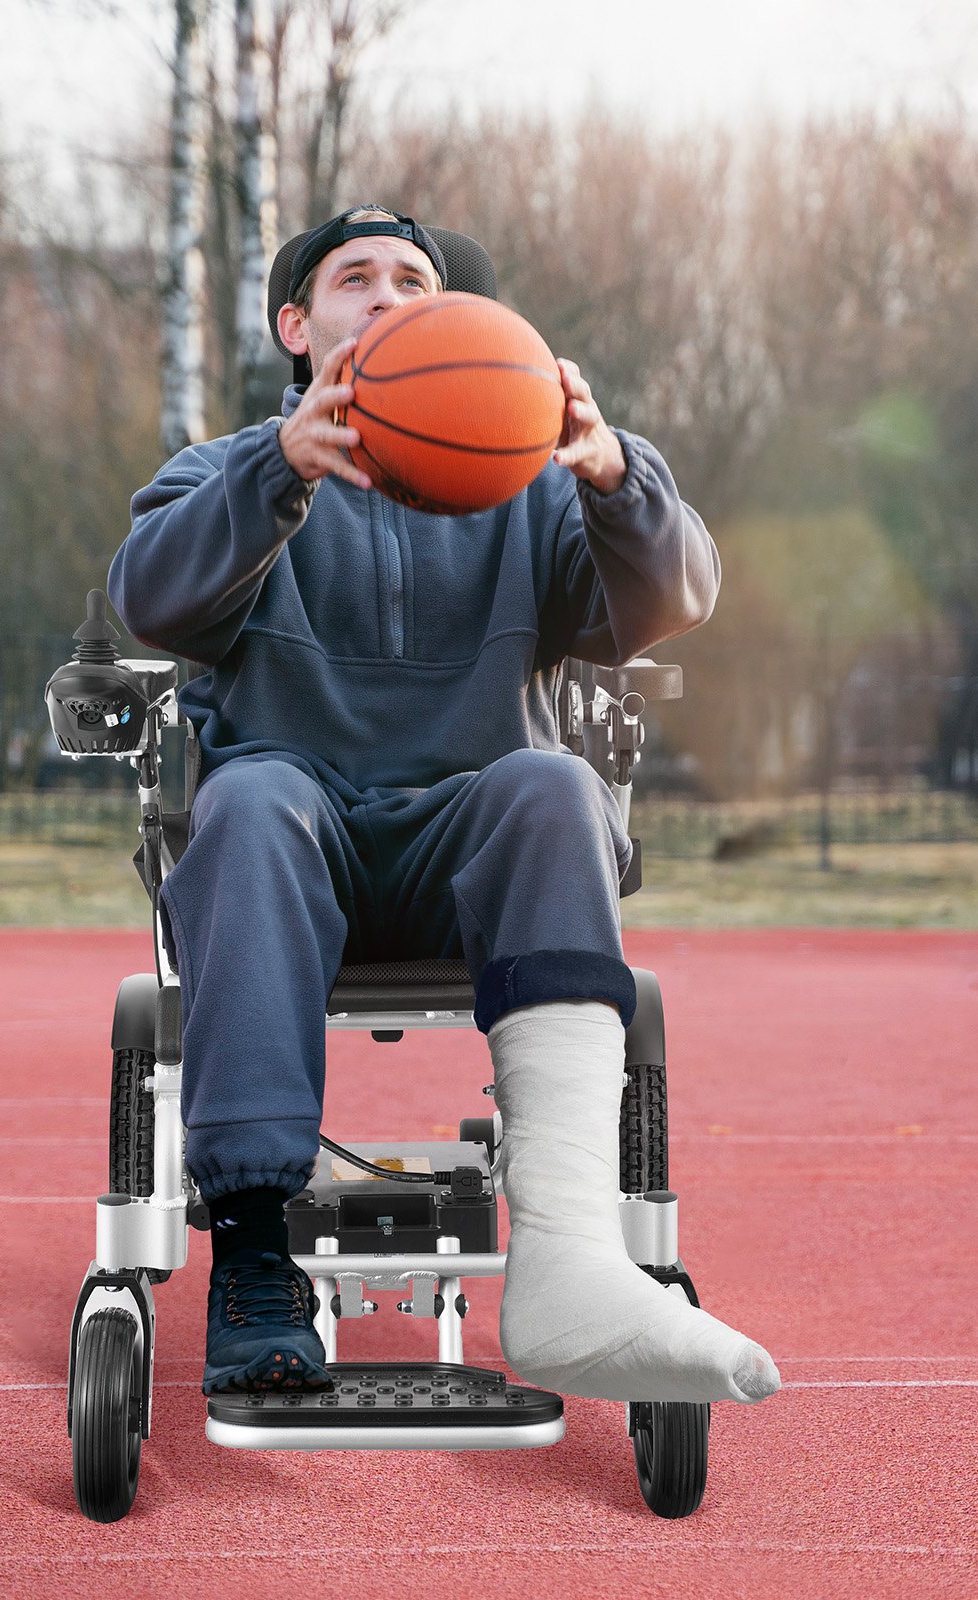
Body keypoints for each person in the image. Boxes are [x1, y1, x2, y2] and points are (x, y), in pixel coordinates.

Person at [108, 204, 780, 1407]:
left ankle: (570, 1258)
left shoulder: (529, 492)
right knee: (251, 794)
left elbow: (674, 594)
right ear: (297, 327)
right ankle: (255, 1258)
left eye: (413, 280)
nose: (386, 295)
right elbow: (147, 603)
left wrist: (614, 473)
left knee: (552, 779)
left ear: (459, 321)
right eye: (354, 278)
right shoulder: (223, 471)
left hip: (467, 853)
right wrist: (279, 472)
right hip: (288, 849)